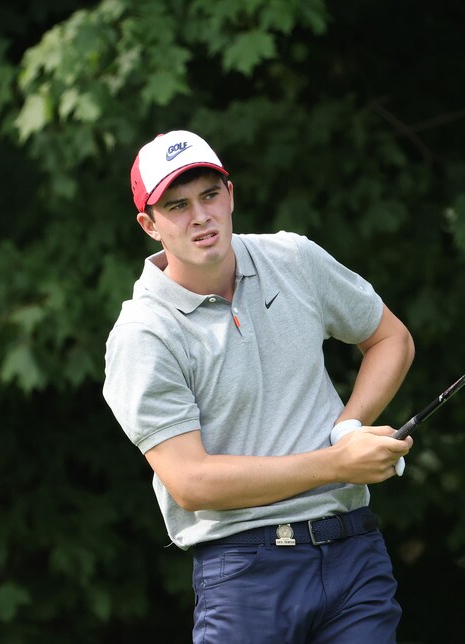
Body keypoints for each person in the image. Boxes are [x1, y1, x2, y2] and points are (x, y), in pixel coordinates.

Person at [102, 130, 415, 643]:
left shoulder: (292, 259)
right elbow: (192, 482)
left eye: (209, 195)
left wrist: (347, 428)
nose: (200, 216)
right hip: (244, 571)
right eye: (177, 206)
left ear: (231, 195)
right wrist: (337, 463)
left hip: (353, 550)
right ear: (149, 225)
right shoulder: (144, 334)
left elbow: (389, 338)